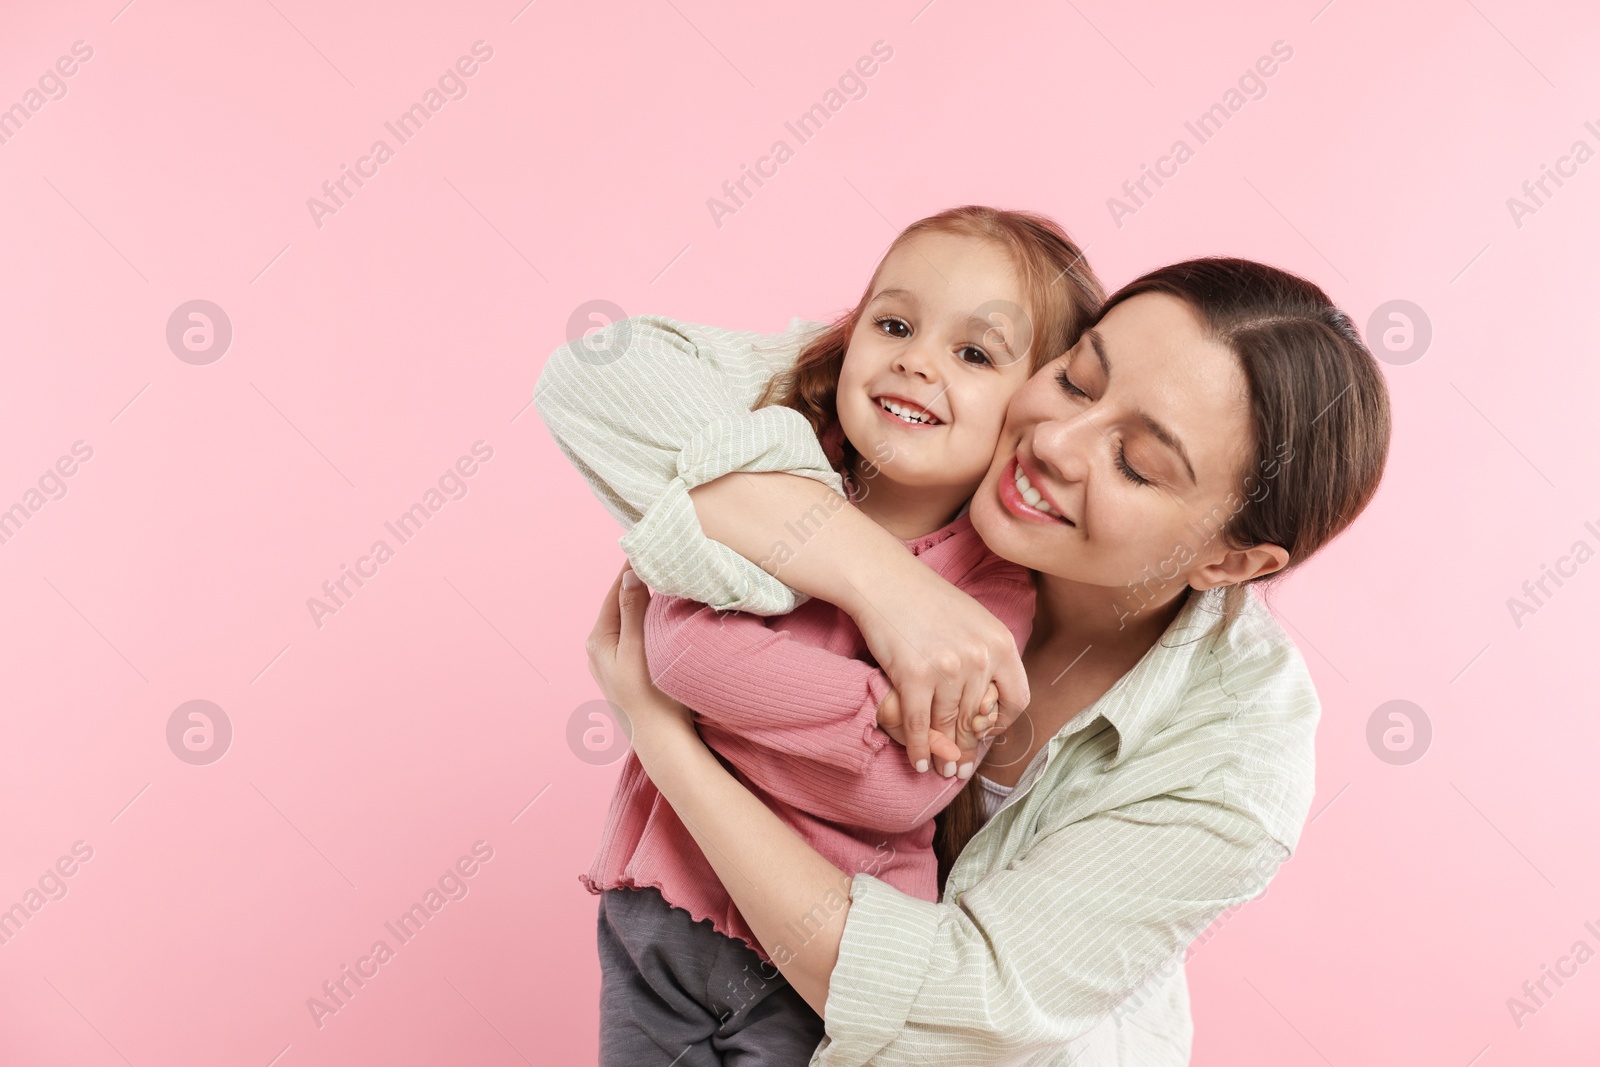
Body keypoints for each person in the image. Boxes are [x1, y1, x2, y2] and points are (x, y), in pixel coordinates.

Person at [538, 251, 1392, 1064]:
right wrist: (887, 586)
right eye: (1075, 378)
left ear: (1230, 562)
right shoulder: (957, 395)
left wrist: (665, 738)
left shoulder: (1237, 764)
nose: (1055, 441)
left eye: (1135, 463)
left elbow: (952, 1011)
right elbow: (597, 377)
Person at [582, 206, 1102, 1064]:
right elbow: (675, 646)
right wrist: (875, 714)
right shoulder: (779, 464)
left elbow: (898, 796)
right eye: (893, 324)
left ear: (1030, 410)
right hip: (657, 910)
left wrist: (706, 715)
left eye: (974, 353)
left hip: (815, 960)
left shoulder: (995, 589)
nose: (916, 359)